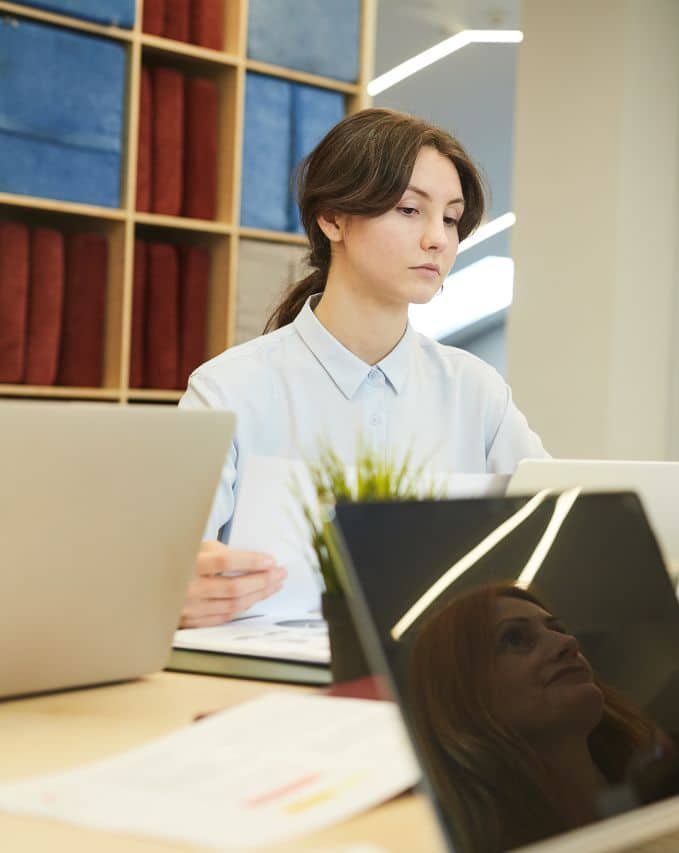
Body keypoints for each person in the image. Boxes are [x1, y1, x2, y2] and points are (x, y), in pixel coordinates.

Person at [177, 109, 547, 627]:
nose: (439, 239)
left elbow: (558, 532)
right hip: (267, 684)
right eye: (410, 210)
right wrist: (175, 586)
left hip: (434, 680)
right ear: (333, 219)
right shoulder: (228, 390)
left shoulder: (476, 391)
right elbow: (166, 564)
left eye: (450, 217)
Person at [408, 585, 663, 852]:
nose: (568, 642)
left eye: (558, 629)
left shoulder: (667, 773)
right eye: (514, 639)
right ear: (461, 695)